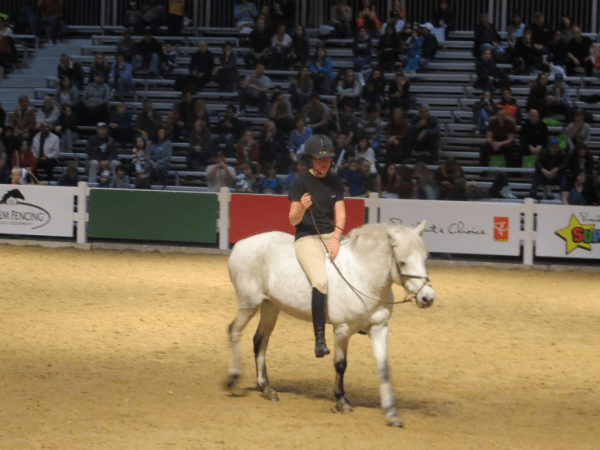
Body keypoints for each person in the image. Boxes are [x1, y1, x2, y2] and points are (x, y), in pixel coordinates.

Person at [287, 134, 346, 358]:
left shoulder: (335, 181)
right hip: (307, 237)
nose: (324, 163)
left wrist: (336, 237)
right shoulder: (301, 181)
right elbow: (293, 220)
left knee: (352, 266)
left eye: (328, 160)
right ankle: (319, 339)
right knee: (320, 280)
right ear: (311, 159)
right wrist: (301, 207)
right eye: (320, 159)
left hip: (330, 234)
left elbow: (340, 212)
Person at [528, 137, 569, 201]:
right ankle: (532, 194)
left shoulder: (562, 153)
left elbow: (566, 164)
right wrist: (544, 170)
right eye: (551, 146)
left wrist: (556, 169)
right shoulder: (543, 152)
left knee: (564, 173)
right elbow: (537, 163)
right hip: (545, 176)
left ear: (558, 146)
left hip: (557, 177)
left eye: (555, 146)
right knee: (537, 173)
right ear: (548, 146)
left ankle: (563, 195)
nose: (553, 148)